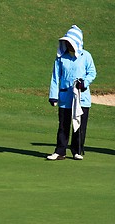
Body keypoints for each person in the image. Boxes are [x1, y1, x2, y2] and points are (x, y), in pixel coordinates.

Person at [47, 25, 96, 161]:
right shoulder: (60, 58)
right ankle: (60, 151)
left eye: (70, 42)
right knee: (63, 125)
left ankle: (77, 150)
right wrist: (53, 96)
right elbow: (56, 77)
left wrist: (84, 83)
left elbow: (92, 73)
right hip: (65, 98)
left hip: (82, 98)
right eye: (67, 42)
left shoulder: (86, 56)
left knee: (79, 126)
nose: (68, 44)